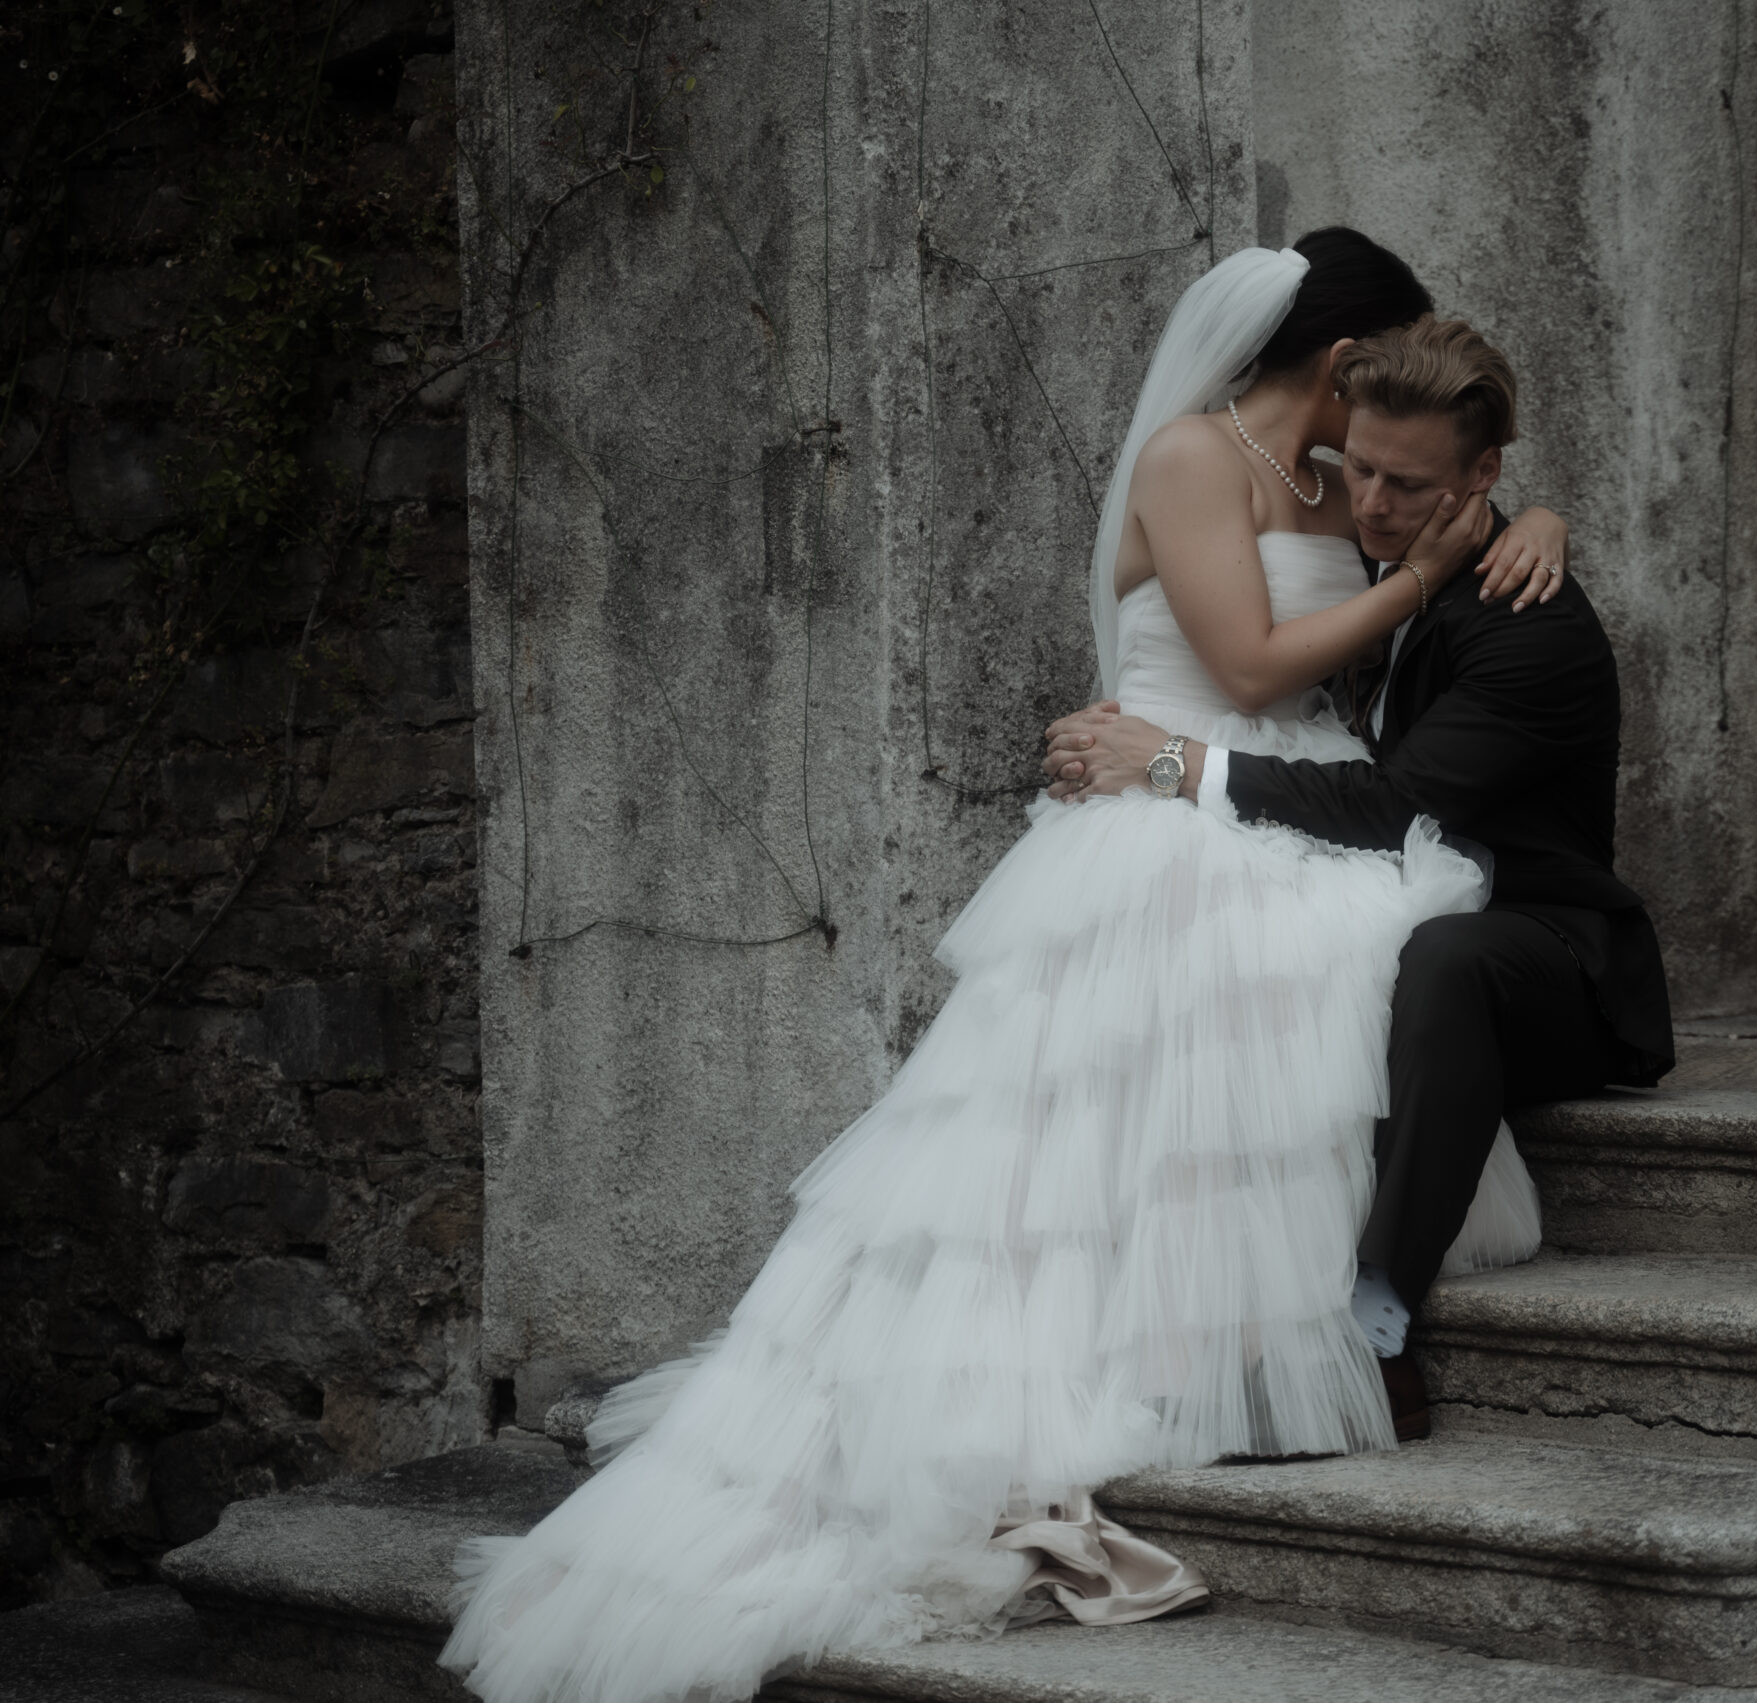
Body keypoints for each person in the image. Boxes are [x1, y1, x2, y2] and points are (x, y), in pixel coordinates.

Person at [438, 229, 1574, 1703]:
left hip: (1294, 797)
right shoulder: (1189, 455)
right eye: (1387, 375)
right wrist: (1421, 577)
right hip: (1176, 796)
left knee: (1335, 1011)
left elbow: (1437, 495)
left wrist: (1528, 514)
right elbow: (1243, 669)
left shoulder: (1330, 478)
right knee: (1094, 1126)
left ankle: (1259, 1342)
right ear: (1349, 357)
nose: (1382, 456)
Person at [1043, 314, 1677, 1438]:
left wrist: (1175, 761)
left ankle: (1376, 1315)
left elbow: (1391, 807)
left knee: (1440, 953)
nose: (1374, 507)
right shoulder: (1378, 559)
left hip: (1541, 949)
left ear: (1483, 473)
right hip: (1408, 894)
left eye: (1408, 483)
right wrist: (1113, 735)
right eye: (1361, 469)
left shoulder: (1530, 626)